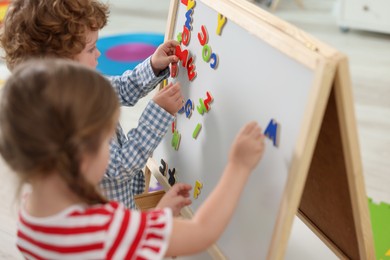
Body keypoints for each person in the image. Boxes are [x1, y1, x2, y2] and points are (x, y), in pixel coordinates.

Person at [0, 59, 265, 259]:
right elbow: (202, 231)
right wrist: (238, 166)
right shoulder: (106, 230)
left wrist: (158, 217)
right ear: (82, 159)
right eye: (109, 140)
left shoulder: (30, 213)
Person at [0, 0, 183, 209]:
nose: (99, 54)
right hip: (108, 224)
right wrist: (157, 115)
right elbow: (118, 168)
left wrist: (153, 66)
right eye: (91, 49)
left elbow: (122, 88)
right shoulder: (67, 116)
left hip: (124, 204)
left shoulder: (75, 81)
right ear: (59, 62)